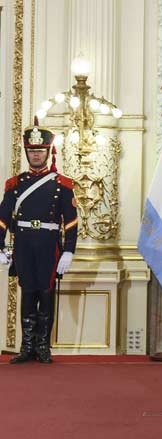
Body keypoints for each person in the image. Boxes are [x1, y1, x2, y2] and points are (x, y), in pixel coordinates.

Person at [0, 118, 78, 364]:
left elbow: (71, 221)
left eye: (40, 151)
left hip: (48, 245)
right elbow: (2, 218)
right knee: (27, 292)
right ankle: (27, 347)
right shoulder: (15, 184)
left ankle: (43, 346)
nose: (36, 155)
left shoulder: (62, 184)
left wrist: (68, 252)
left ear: (48, 152)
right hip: (23, 244)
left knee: (45, 293)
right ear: (27, 152)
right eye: (32, 151)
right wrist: (0, 246)